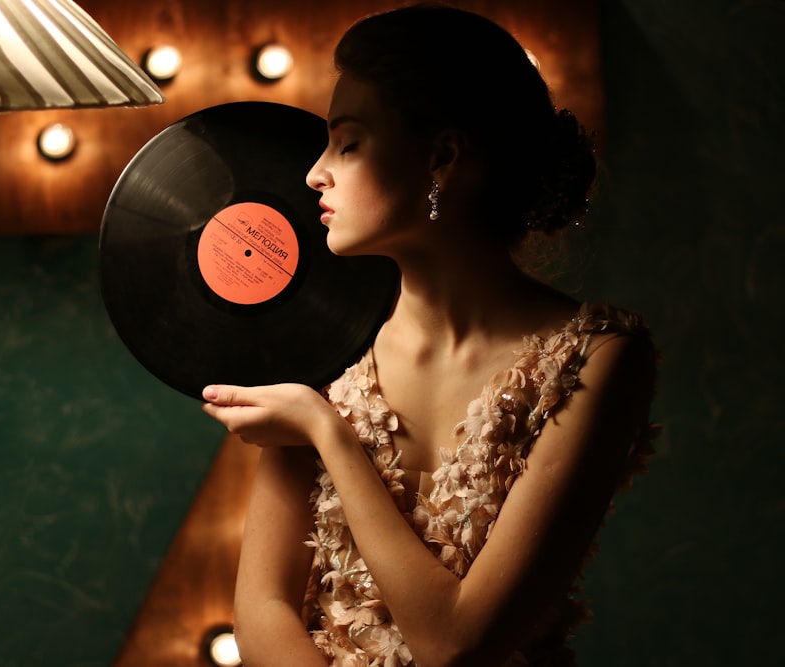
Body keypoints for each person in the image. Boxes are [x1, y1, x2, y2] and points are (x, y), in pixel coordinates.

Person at [201, 3, 658, 665]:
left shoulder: (598, 359)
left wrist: (328, 432)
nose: (315, 172)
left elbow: (457, 643)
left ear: (442, 157)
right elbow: (262, 610)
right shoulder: (330, 346)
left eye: (348, 143)